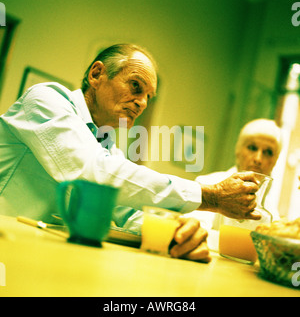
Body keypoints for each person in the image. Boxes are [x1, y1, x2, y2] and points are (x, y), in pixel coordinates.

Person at [0, 43, 260, 262]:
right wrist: (210, 196)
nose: (143, 103)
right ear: (96, 74)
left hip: (39, 255)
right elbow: (94, 172)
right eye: (136, 86)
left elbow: (126, 212)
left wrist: (175, 232)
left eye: (149, 96)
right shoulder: (45, 100)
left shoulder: (108, 147)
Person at [185, 118, 282, 231]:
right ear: (238, 150)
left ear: (275, 161)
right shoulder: (208, 185)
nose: (258, 159)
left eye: (268, 152)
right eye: (252, 148)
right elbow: (194, 230)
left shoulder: (271, 211)